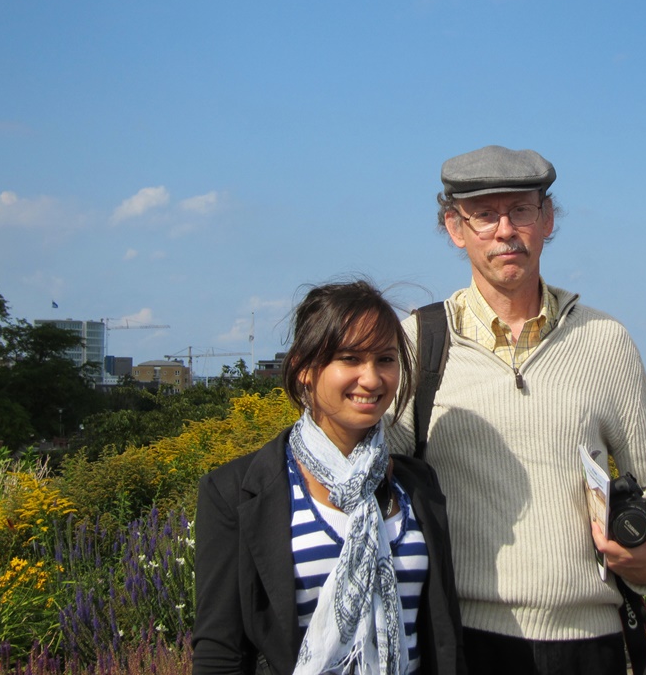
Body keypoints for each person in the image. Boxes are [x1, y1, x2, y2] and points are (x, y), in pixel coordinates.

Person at [387, 146, 646, 675]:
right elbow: (372, 475)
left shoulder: (604, 341)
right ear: (454, 228)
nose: (505, 230)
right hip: (460, 643)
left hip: (588, 645)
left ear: (547, 220)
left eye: (521, 210)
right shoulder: (418, 342)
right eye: (483, 214)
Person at [192, 280, 466, 675]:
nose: (371, 379)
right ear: (304, 368)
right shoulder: (234, 492)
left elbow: (440, 634)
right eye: (350, 358)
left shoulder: (416, 485)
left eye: (385, 360)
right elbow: (219, 652)